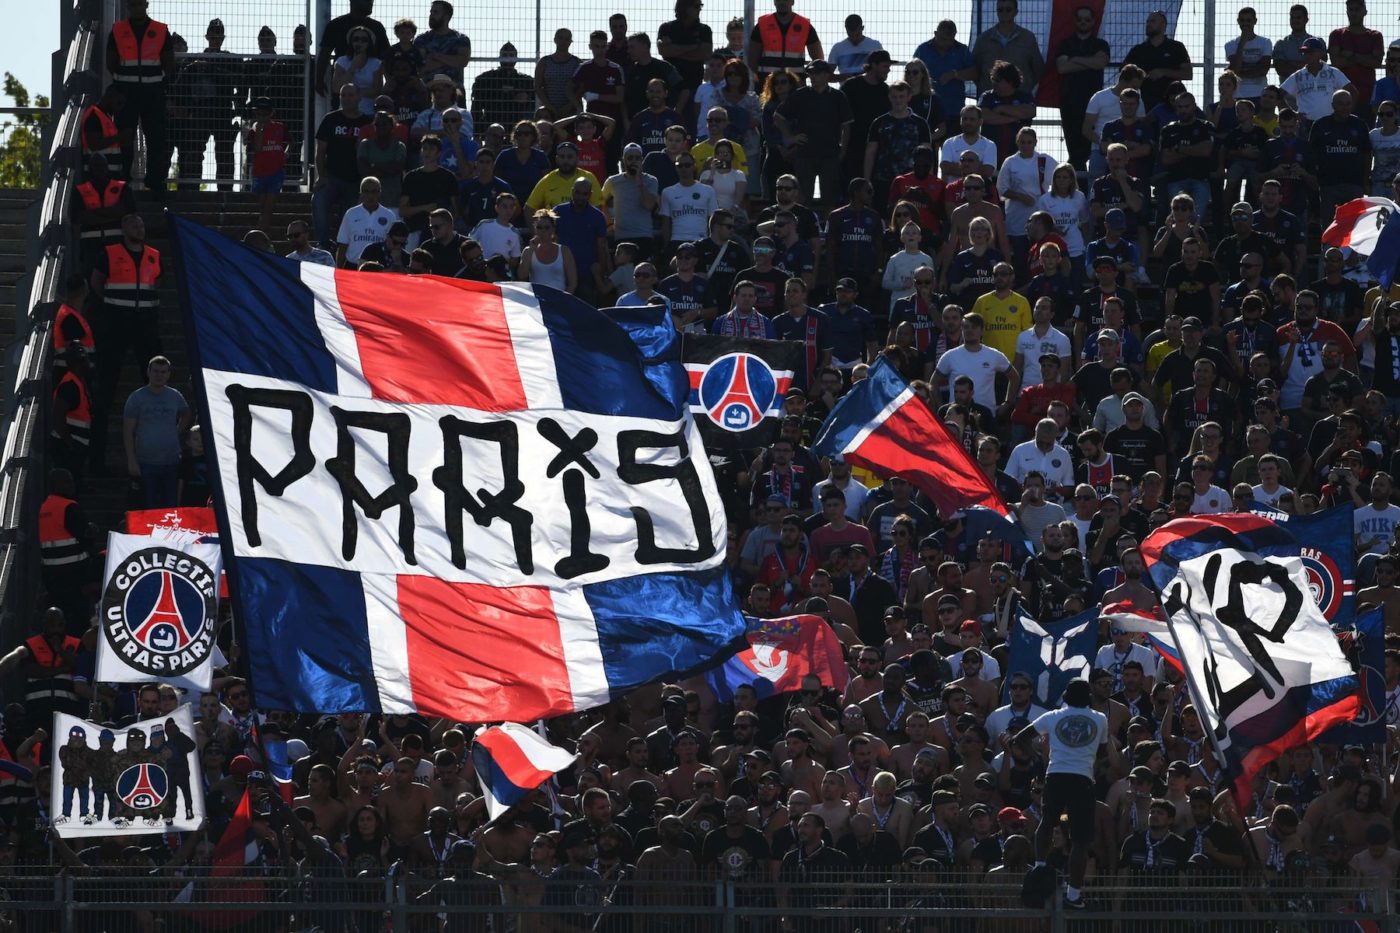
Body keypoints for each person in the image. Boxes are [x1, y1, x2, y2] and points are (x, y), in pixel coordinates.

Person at [1017, 679, 1120, 910]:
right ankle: (1074, 895)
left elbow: (1020, 739)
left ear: (1066, 696)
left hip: (1056, 775)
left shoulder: (1052, 717)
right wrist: (1084, 754)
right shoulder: (1100, 718)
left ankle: (1040, 865)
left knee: (1048, 820)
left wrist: (1040, 760)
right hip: (1083, 779)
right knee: (1081, 841)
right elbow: (1103, 751)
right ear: (1089, 699)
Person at [107, 0, 175, 194]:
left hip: (153, 92)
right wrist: (120, 84)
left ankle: (155, 182)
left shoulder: (160, 30)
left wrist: (161, 84)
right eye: (133, 5)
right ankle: (122, 182)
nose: (136, 8)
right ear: (129, 7)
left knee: (156, 139)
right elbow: (110, 60)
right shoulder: (117, 30)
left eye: (139, 4)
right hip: (125, 92)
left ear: (146, 5)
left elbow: (169, 62)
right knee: (124, 138)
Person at [774, 60, 851, 206]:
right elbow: (778, 117)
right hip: (805, 154)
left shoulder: (838, 96)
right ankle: (804, 226)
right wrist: (791, 137)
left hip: (830, 154)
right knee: (802, 198)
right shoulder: (800, 95)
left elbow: (846, 126)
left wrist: (843, 150)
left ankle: (828, 228)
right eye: (810, 73)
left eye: (817, 73)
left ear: (827, 75)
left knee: (830, 198)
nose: (813, 76)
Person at [123, 355, 190, 509]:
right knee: (148, 506)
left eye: (163, 372)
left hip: (172, 461)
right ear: (148, 372)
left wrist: (177, 431)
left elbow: (187, 414)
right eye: (156, 371)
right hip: (146, 462)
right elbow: (128, 431)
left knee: (170, 507)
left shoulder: (175, 396)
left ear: (168, 374)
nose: (159, 375)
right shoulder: (136, 398)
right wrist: (131, 460)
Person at [312, 85, 372, 247]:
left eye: (350, 95)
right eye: (343, 95)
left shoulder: (367, 121)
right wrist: (321, 176)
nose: (346, 98)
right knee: (318, 200)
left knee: (352, 213)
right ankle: (323, 242)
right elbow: (320, 151)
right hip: (332, 176)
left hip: (357, 179)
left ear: (359, 97)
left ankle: (346, 245)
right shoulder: (330, 119)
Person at [1055, 6, 1110, 170]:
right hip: (1069, 102)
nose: (1083, 22)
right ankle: (1078, 189)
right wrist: (1089, 62)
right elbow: (1062, 68)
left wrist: (1076, 59)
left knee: (1092, 149)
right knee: (1075, 152)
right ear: (1074, 21)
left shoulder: (1100, 44)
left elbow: (1100, 63)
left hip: (1093, 104)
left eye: (1087, 19)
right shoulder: (1065, 43)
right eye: (1080, 19)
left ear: (1093, 21)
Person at [1123, 10, 1193, 112]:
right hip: (1144, 103)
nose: (1148, 24)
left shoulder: (1176, 47)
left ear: (1163, 25)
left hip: (1172, 104)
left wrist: (1163, 72)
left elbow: (1188, 74)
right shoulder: (1138, 50)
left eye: (1152, 21)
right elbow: (1124, 74)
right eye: (1147, 22)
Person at [972, 0, 1044, 95]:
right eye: (1000, 10)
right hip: (991, 99)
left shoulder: (1028, 38)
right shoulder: (983, 39)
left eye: (1008, 9)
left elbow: (1038, 69)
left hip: (1019, 98)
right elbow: (974, 70)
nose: (1004, 13)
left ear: (1016, 12)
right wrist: (986, 87)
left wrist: (1025, 88)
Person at [747, 0, 823, 82]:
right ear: (774, 2)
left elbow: (818, 58)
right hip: (767, 83)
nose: (782, 2)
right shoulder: (762, 25)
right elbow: (752, 60)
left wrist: (809, 75)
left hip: (796, 83)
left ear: (792, 2)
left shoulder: (805, 25)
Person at [336, 176, 398, 268]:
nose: (370, 196)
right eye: (366, 191)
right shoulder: (351, 214)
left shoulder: (389, 216)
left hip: (379, 268)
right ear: (360, 193)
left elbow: (394, 246)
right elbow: (343, 244)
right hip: (353, 266)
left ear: (379, 193)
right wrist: (338, 269)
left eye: (374, 191)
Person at [519, 209, 577, 294]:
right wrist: (531, 249)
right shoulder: (528, 251)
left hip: (559, 300)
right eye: (539, 227)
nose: (543, 231)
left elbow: (573, 283)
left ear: (553, 229)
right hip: (537, 301)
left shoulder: (564, 251)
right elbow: (522, 276)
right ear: (535, 229)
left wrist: (563, 301)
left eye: (547, 228)